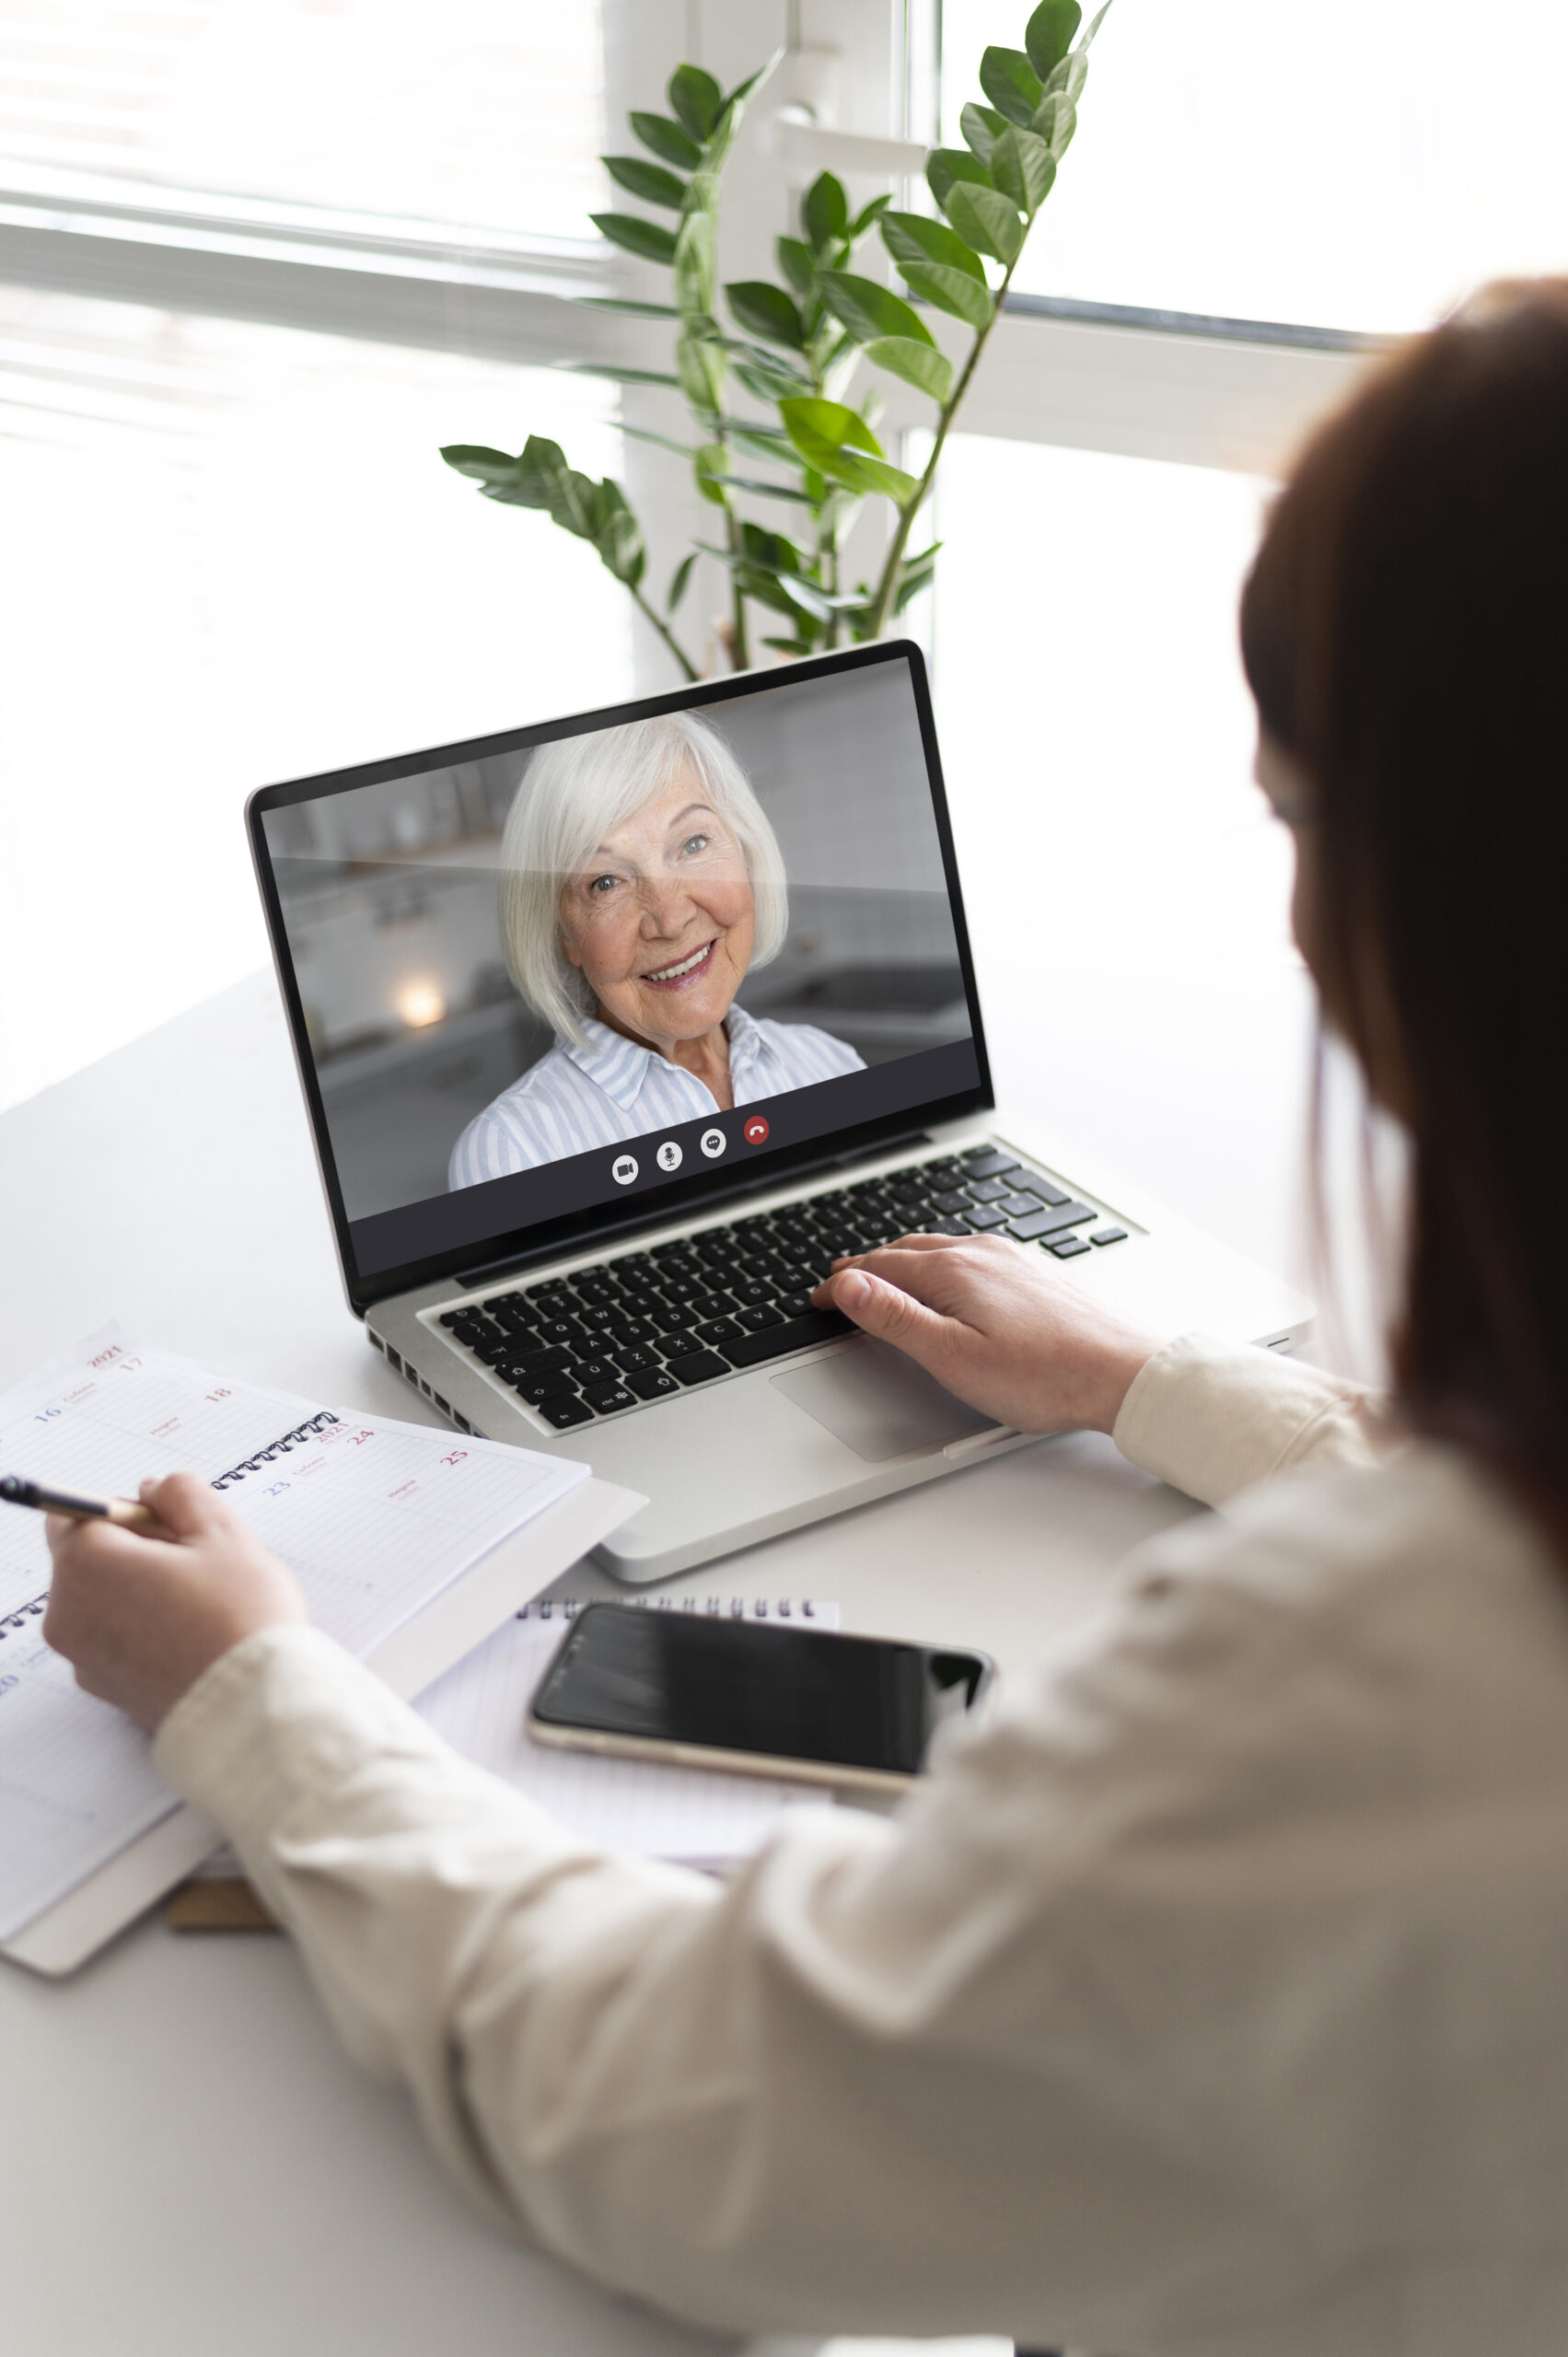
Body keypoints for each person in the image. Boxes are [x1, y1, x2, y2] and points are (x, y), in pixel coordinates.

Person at [43, 281, 1568, 2353]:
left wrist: (252, 1692)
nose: (666, 904)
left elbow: (675, 2118)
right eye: (604, 876)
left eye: (1298, 817)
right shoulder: (525, 1129)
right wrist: (1148, 1379)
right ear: (552, 923)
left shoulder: (1353, 1693)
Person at [448, 711, 864, 1185]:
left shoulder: (830, 1065)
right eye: (606, 882)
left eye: (693, 844)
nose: (669, 919)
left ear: (747, 854)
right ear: (563, 933)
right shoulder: (514, 1151)